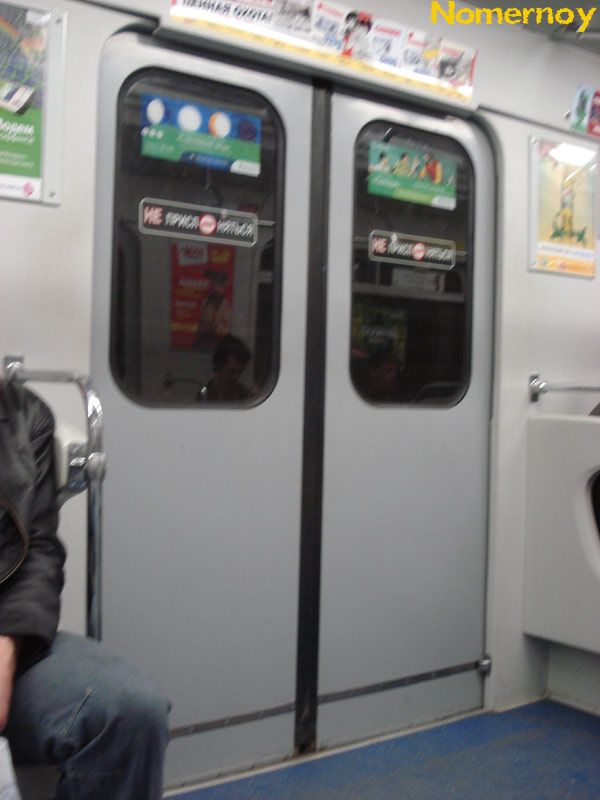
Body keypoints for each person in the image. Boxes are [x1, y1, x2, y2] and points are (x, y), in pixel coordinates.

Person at [0, 378, 170, 800]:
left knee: (128, 710)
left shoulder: (21, 414)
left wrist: (6, 648)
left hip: (8, 633)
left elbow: (38, 551)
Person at [197, 335, 253, 402]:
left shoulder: (244, 397)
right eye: (231, 371)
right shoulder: (204, 395)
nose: (236, 377)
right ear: (218, 366)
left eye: (240, 372)